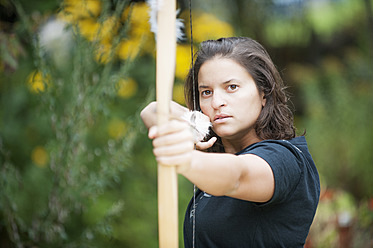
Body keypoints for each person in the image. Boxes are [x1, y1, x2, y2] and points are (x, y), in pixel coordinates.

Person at [141, 37, 320, 247]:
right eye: (206, 92)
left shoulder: (284, 159)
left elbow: (237, 176)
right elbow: (151, 111)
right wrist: (193, 124)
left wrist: (184, 156)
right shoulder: (220, 160)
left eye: (232, 87)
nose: (216, 102)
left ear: (263, 93)